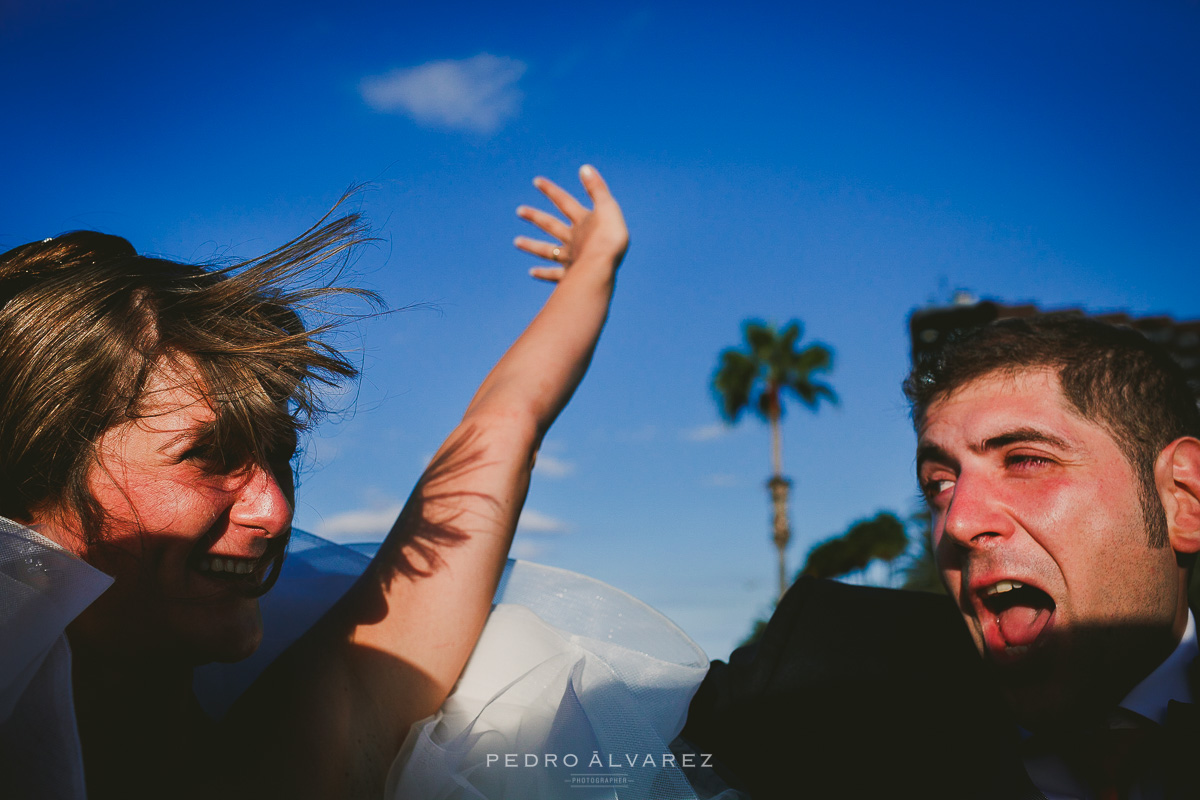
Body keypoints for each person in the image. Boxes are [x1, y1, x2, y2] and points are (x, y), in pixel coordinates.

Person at [0, 165, 628, 800]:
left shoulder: (299, 756)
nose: (273, 511)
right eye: (207, 456)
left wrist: (593, 269)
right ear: (25, 495)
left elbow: (501, 430)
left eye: (281, 458)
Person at [683, 315, 1200, 799]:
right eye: (939, 484)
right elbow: (618, 735)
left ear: (1183, 498)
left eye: (1025, 460)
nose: (957, 521)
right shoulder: (822, 682)